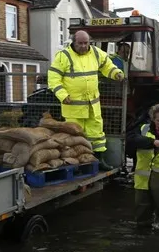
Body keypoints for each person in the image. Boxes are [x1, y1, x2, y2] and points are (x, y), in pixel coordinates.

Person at [48, 30, 125, 170]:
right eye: (80, 43)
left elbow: (107, 65)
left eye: (86, 43)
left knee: (97, 135)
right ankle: (77, 165)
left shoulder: (96, 53)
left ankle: (99, 161)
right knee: (75, 137)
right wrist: (62, 95)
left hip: (92, 106)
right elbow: (53, 78)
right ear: (73, 42)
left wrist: (116, 73)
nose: (84, 46)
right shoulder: (63, 56)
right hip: (73, 108)